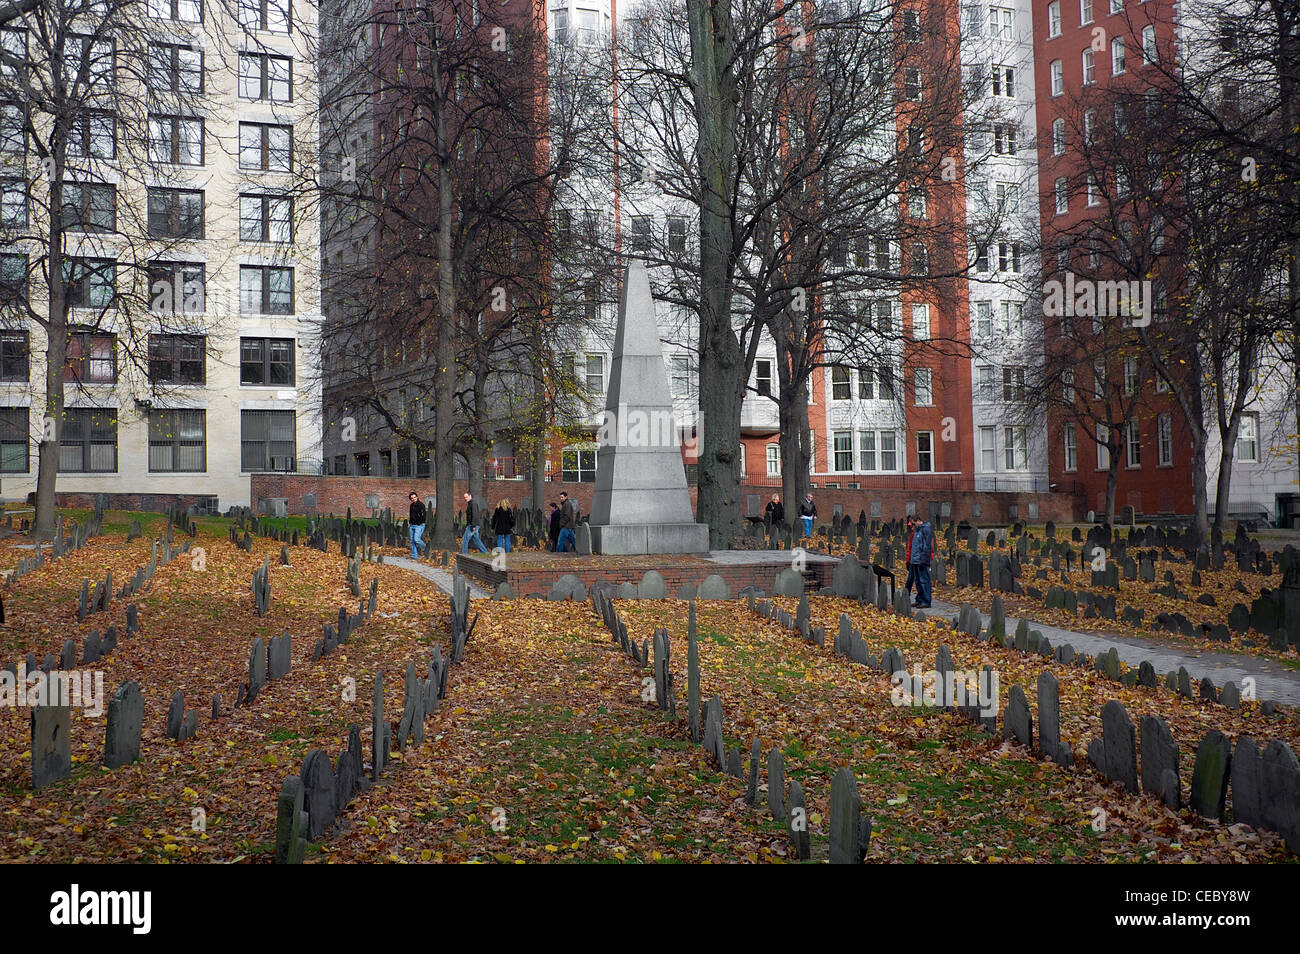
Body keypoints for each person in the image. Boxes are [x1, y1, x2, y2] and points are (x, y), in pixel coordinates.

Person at [909, 516, 935, 608]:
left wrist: (923, 561)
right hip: (915, 561)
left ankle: (926, 601)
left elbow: (927, 547)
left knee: (924, 581)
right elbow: (915, 546)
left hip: (921, 561)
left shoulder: (925, 530)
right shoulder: (917, 531)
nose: (912, 525)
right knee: (918, 581)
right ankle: (919, 599)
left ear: (919, 521)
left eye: (913, 523)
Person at [408, 491, 428, 559]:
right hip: (412, 525)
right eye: (412, 498)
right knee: (412, 540)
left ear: (417, 497)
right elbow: (411, 514)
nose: (413, 499)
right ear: (410, 499)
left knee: (416, 539)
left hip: (419, 525)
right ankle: (414, 555)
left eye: (414, 497)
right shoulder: (411, 505)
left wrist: (419, 522)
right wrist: (410, 522)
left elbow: (423, 516)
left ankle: (425, 547)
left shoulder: (421, 505)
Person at [903, 516, 917, 601]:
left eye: (912, 525)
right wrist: (908, 561)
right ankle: (905, 595)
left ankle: (923, 599)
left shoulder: (920, 534)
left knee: (920, 580)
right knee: (910, 578)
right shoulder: (913, 535)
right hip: (912, 560)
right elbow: (909, 549)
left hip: (918, 561)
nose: (911, 527)